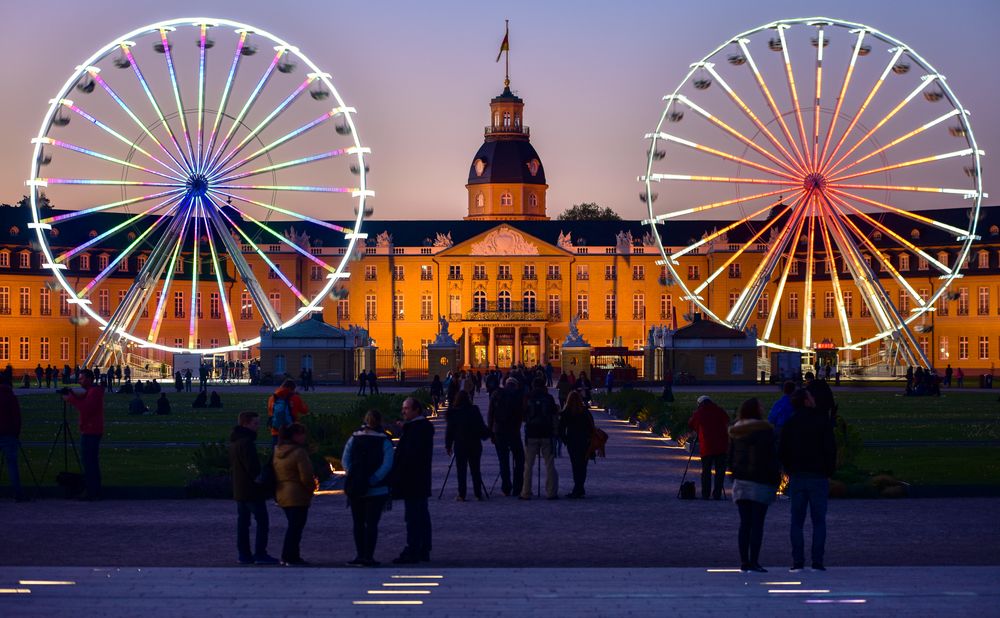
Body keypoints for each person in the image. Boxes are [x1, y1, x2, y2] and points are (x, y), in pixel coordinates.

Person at [779, 388, 837, 572]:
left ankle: (797, 562)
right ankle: (817, 562)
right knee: (819, 521)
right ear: (806, 401)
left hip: (798, 476)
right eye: (811, 396)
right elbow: (830, 449)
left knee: (797, 521)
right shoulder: (822, 422)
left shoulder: (790, 423)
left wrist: (789, 469)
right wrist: (828, 470)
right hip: (818, 476)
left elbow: (782, 450)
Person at [728, 397, 779, 573]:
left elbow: (731, 456)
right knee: (757, 524)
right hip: (760, 481)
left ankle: (744, 562)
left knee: (745, 524)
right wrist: (775, 480)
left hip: (741, 482)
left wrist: (733, 474)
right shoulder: (765, 431)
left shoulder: (736, 431)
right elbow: (770, 458)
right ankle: (754, 561)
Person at [342, 410, 394, 567]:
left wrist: (354, 476)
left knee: (358, 523)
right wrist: (374, 479)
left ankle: (359, 554)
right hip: (377, 489)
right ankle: (368, 556)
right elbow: (388, 463)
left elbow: (345, 459)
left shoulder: (355, 437)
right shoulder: (384, 440)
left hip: (356, 487)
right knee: (372, 524)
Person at [228, 411, 278, 565]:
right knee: (262, 521)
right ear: (246, 424)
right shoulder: (247, 443)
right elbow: (253, 469)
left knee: (243, 523)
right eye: (255, 423)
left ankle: (244, 554)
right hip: (251, 490)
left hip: (240, 489)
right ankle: (260, 553)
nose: (258, 427)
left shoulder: (236, 442)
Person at [391, 397, 435, 564]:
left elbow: (410, 454)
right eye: (403, 408)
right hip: (418, 480)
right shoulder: (418, 427)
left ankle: (415, 548)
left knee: (414, 516)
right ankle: (422, 548)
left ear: (417, 410)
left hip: (414, 480)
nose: (403, 411)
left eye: (407, 409)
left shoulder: (418, 428)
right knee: (420, 514)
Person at [274, 423, 315, 566]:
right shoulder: (299, 453)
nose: (304, 436)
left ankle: (290, 555)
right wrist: (311, 489)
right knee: (296, 527)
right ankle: (290, 556)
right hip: (297, 493)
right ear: (295, 436)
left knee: (293, 526)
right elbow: (306, 476)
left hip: (282, 492)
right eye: (301, 434)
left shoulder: (278, 451)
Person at [63, 369, 104, 500]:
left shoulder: (94, 392)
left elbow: (86, 408)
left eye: (81, 379)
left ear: (89, 379)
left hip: (91, 430)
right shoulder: (93, 391)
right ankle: (94, 490)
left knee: (89, 463)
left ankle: (92, 491)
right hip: (91, 430)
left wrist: (71, 399)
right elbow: (85, 401)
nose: (79, 381)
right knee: (90, 462)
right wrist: (73, 396)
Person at [445, 390, 488, 502]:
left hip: (460, 444)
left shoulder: (453, 412)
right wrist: (488, 434)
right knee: (476, 469)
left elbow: (449, 431)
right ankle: (478, 493)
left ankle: (462, 494)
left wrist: (448, 445)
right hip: (475, 444)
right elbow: (481, 426)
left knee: (461, 470)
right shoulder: (474, 410)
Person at [521, 378, 559, 500]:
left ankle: (526, 492)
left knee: (528, 465)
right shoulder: (548, 398)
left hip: (531, 434)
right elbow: (554, 415)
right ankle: (551, 492)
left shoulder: (528, 398)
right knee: (549, 464)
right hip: (546, 434)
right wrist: (555, 431)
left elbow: (523, 415)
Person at [487, 377, 526, 497]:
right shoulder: (519, 395)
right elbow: (523, 415)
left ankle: (506, 488)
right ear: (516, 386)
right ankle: (518, 488)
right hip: (514, 431)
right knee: (520, 460)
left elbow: (490, 414)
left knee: (503, 460)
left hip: (499, 431)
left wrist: (491, 432)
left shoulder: (496, 394)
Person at [688, 395, 730, 500]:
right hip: (721, 445)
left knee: (706, 471)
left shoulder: (699, 413)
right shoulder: (720, 410)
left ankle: (705, 494)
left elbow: (691, 424)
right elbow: (727, 420)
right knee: (720, 471)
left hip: (707, 446)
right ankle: (717, 494)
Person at [559, 390, 595, 499]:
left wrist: (565, 440)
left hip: (572, 442)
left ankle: (577, 488)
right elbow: (591, 427)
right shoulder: (585, 411)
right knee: (583, 466)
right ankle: (580, 487)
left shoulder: (567, 412)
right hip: (584, 442)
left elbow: (561, 428)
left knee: (575, 465)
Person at [0, 375, 26, 502]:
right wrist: (16, 433)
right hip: (9, 434)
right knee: (12, 465)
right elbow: (17, 417)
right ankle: (18, 493)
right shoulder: (11, 397)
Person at [267, 380, 309, 446]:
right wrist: (299, 398)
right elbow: (305, 410)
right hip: (291, 430)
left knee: (276, 453)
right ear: (292, 389)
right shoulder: (295, 398)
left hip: (276, 430)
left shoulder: (272, 398)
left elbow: (270, 413)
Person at [767, 381, 797, 446]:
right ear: (794, 391)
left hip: (779, 428)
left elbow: (771, 418)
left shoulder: (778, 403)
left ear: (784, 390)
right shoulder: (795, 404)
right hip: (792, 429)